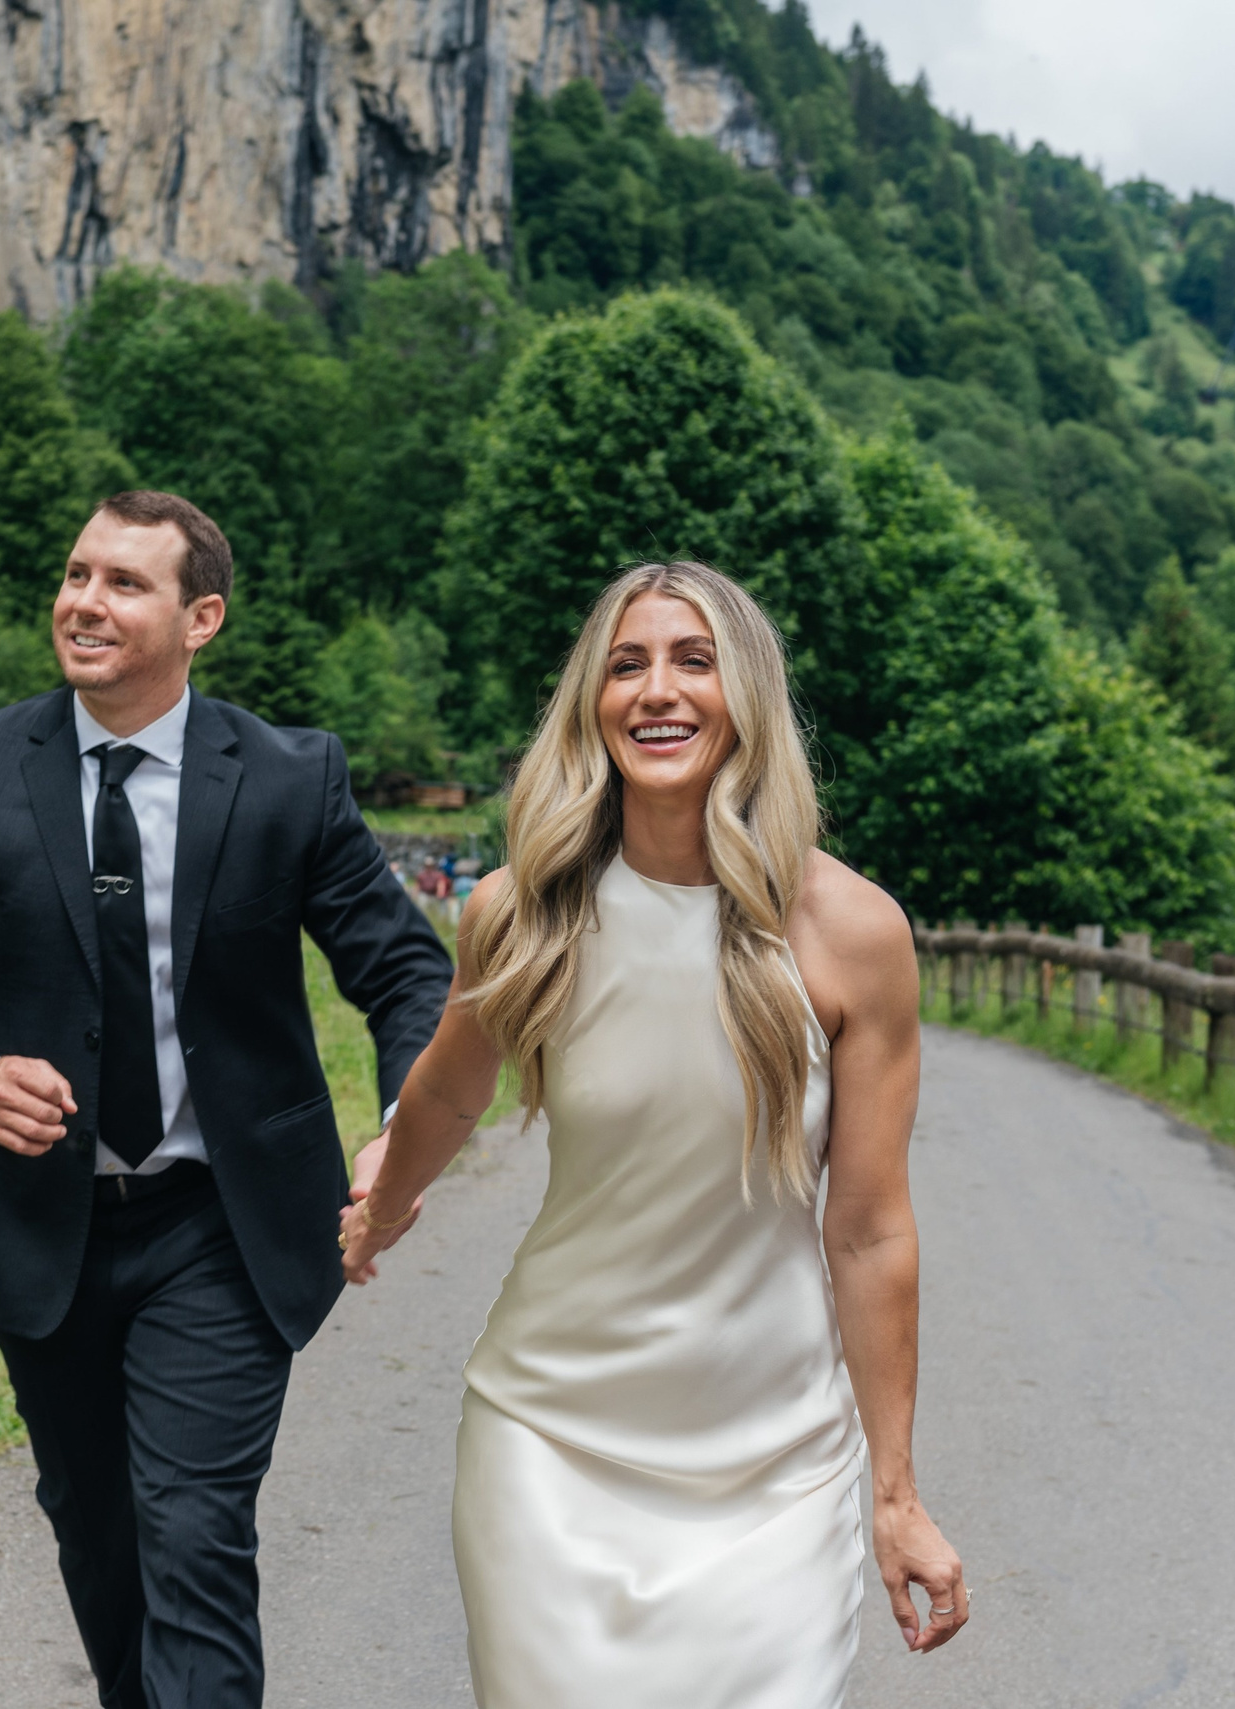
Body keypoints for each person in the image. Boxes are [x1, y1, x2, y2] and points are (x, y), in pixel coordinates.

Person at [0, 489, 453, 1709]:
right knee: (101, 1538)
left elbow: (403, 972)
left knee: (193, 1533)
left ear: (199, 615)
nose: (84, 601)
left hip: (224, 1224)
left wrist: (400, 1136)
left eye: (124, 582)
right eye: (75, 573)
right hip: (39, 1227)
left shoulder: (288, 776)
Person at [339, 561, 966, 1706]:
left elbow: (870, 1229)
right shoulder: (519, 912)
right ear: (591, 701)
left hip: (778, 1467)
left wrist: (897, 1490)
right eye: (626, 663)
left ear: (748, 698)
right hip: (551, 1440)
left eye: (694, 660)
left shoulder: (850, 931)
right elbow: (447, 1092)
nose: (657, 689)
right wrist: (383, 1198)